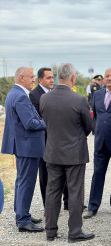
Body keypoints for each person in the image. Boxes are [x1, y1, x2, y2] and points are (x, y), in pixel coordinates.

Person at [39, 63, 95, 242]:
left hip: (53, 152)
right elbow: (88, 126)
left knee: (52, 192)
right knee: (75, 193)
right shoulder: (79, 99)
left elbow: (46, 123)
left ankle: (50, 231)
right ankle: (75, 232)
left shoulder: (44, 99)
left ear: (57, 78)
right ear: (72, 78)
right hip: (74, 154)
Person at [1, 67, 46, 232]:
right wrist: (45, 123)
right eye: (32, 77)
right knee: (26, 183)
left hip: (22, 146)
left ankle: (22, 213)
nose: (34, 80)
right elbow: (30, 123)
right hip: (27, 147)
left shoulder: (13, 93)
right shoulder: (20, 96)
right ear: (21, 78)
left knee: (21, 182)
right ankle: (23, 220)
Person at [84, 68, 111, 219]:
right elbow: (96, 116)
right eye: (107, 76)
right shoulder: (98, 94)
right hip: (100, 142)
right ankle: (93, 206)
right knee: (97, 174)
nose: (109, 78)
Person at [29, 67, 69, 210]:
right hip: (45, 140)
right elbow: (38, 118)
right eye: (48, 78)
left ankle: (68, 202)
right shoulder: (34, 95)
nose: (52, 80)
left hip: (60, 139)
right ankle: (49, 206)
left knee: (64, 170)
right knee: (45, 174)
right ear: (40, 80)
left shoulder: (55, 93)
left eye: (53, 77)